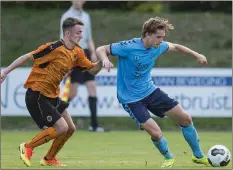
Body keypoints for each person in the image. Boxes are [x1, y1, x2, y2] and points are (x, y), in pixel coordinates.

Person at [96, 16, 210, 168]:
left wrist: (197, 55)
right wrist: (105, 59)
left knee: (186, 119)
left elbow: (176, 47)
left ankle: (198, 156)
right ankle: (169, 157)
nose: (161, 41)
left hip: (150, 91)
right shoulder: (129, 46)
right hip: (130, 98)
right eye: (158, 37)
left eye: (163, 37)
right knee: (156, 133)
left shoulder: (159, 46)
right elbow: (101, 49)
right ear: (147, 34)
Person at [1, 17, 102, 167]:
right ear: (67, 34)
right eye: (78, 32)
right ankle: (27, 147)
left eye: (82, 32)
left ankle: (49, 158)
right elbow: (27, 57)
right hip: (37, 94)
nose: (81, 36)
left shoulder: (78, 53)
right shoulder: (53, 48)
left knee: (70, 129)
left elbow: (93, 70)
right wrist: (5, 72)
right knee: (61, 127)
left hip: (52, 95)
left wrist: (103, 58)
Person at [60, 1, 104, 132]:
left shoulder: (86, 16)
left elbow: (89, 37)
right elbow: (64, 38)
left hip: (86, 54)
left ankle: (94, 125)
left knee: (92, 87)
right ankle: (55, 116)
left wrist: (93, 53)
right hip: (74, 54)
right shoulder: (66, 16)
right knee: (72, 93)